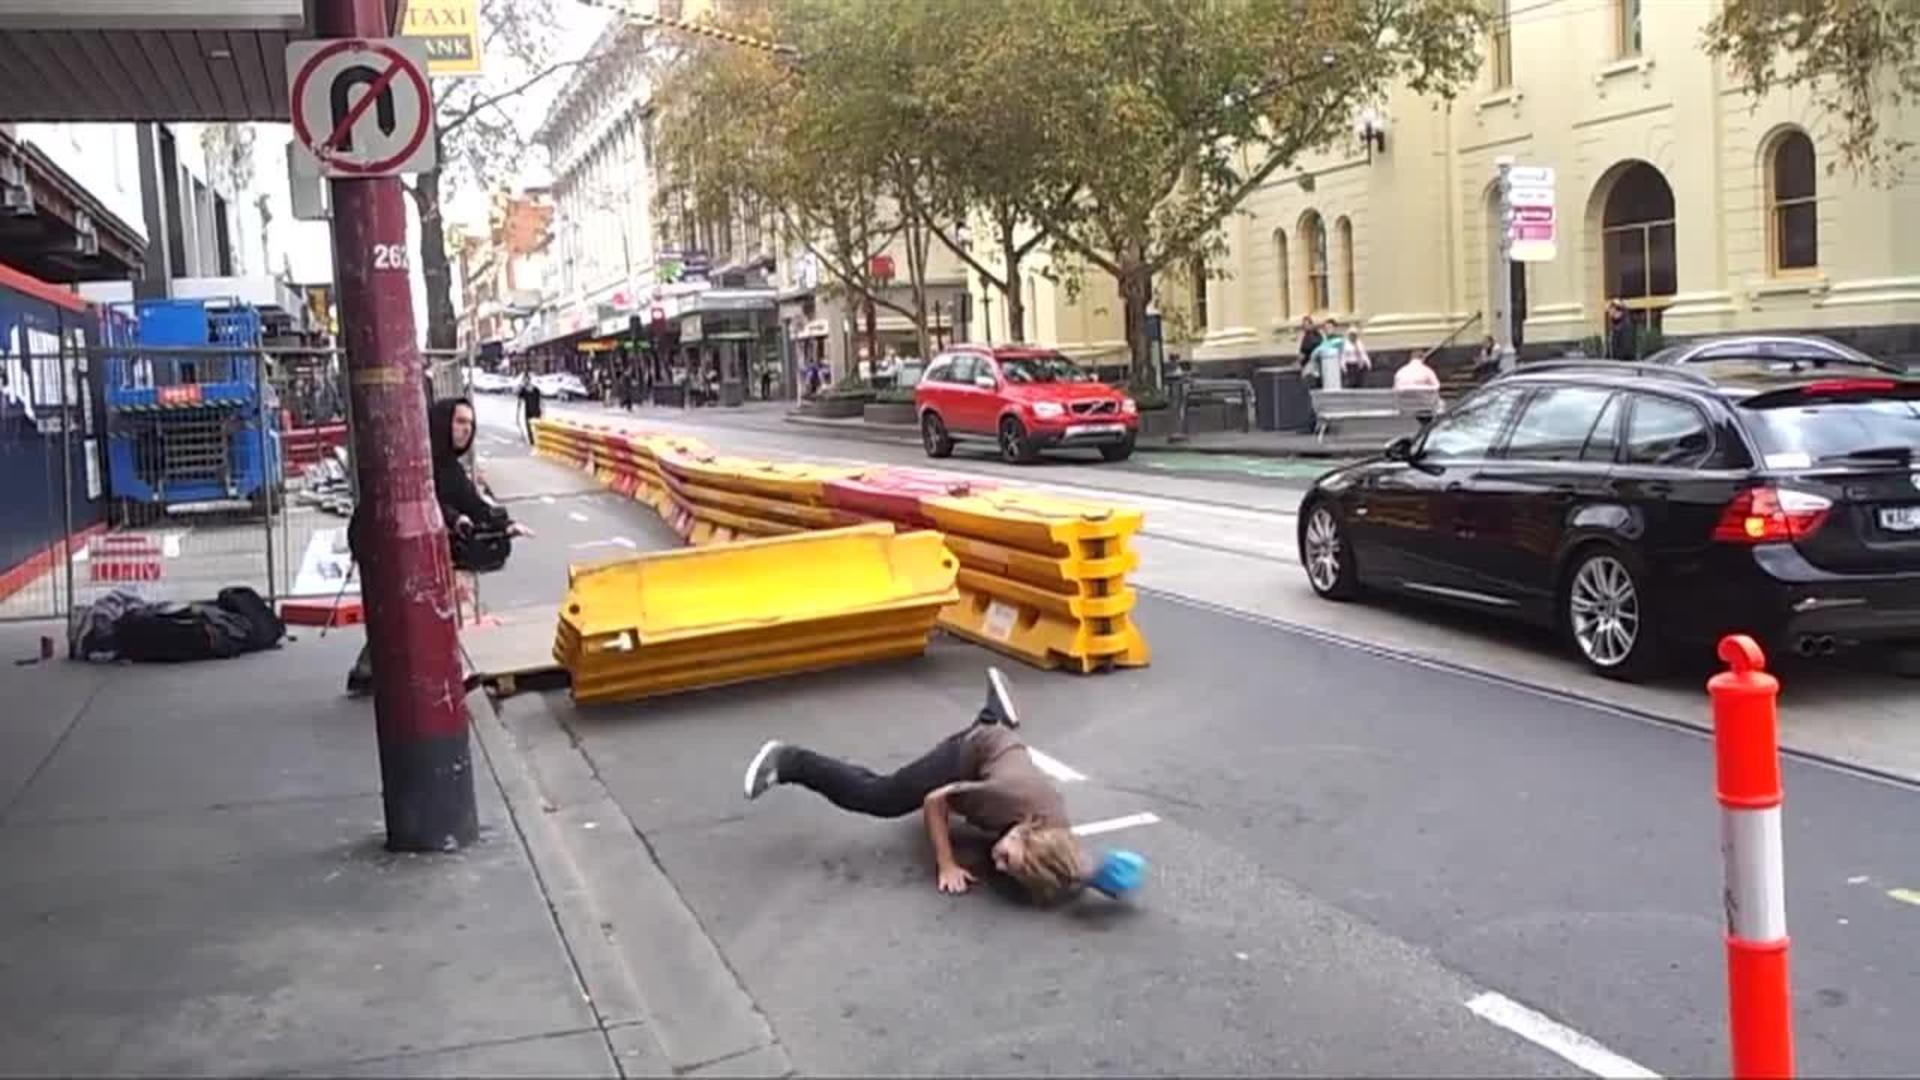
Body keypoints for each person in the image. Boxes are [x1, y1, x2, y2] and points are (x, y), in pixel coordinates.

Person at [742, 668, 1089, 904]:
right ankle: (788, 761)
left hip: (1001, 753)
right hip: (970, 751)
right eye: (1009, 861)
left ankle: (994, 712)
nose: (998, 865)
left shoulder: (1055, 839)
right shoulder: (1003, 798)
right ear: (1026, 837)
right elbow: (935, 801)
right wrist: (947, 863)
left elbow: (1068, 869)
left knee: (991, 747)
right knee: (879, 796)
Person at [345, 397, 533, 695]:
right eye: (459, 422)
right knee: (422, 606)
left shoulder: (449, 466)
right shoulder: (419, 458)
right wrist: (455, 518)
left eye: (470, 425)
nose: (465, 431)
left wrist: (507, 525)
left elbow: (472, 501)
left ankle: (366, 671)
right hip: (380, 540)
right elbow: (420, 498)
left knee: (400, 611)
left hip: (403, 545)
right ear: (442, 422)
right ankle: (448, 672)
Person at [516, 374, 543, 444]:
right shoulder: (523, 390)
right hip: (528, 411)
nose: (525, 381)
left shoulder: (536, 390)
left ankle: (538, 440)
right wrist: (518, 411)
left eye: (526, 379)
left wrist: (542, 410)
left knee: (537, 426)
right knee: (529, 427)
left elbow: (540, 401)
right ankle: (532, 441)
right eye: (524, 380)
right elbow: (519, 399)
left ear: (529, 380)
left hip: (536, 411)